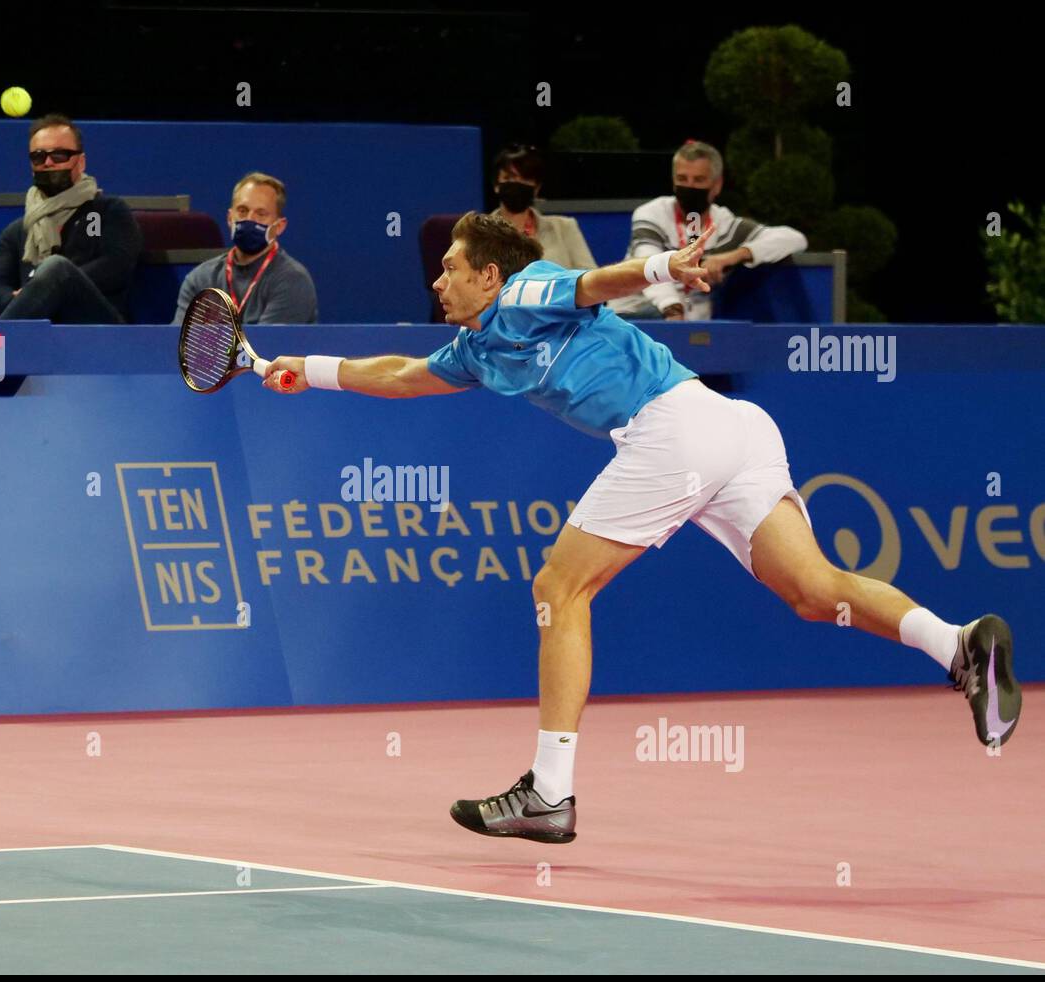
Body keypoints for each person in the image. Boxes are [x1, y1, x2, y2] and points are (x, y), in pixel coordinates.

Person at [258, 212, 1022, 844]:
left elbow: (597, 282)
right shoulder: (478, 350)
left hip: (674, 430)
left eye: (452, 267)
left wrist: (662, 272)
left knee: (561, 584)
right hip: (733, 430)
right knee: (817, 593)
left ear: (489, 275)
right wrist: (306, 367)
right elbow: (399, 374)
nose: (439, 279)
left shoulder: (526, 289)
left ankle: (549, 793)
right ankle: (957, 642)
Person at [610, 139, 806, 321]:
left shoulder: (726, 224)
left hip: (692, 322)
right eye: (682, 179)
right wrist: (673, 308)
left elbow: (794, 238)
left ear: (716, 185)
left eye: (698, 180)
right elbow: (650, 264)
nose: (689, 186)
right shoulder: (651, 214)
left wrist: (733, 256)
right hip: (637, 313)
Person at [0, 114, 142, 323]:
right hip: (38, 330)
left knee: (56, 267)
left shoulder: (108, 211)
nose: (48, 163)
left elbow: (116, 267)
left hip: (99, 328)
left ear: (81, 162)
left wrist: (49, 285)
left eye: (59, 155)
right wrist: (28, 296)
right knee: (53, 271)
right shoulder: (17, 231)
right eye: (38, 157)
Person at [172, 172, 318, 325]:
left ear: (279, 226)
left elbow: (268, 346)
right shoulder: (201, 279)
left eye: (261, 214)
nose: (250, 219)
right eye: (242, 211)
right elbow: (179, 342)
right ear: (230, 218)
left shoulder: (292, 280)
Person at [491, 143, 596, 271]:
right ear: (496, 184)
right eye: (509, 177)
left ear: (536, 188)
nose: (516, 184)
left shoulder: (564, 228)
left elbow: (590, 277)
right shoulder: (477, 235)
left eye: (524, 179)